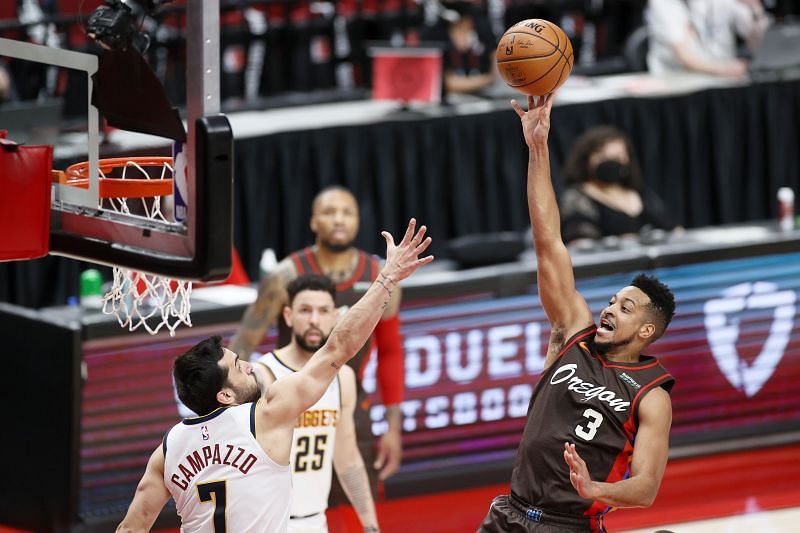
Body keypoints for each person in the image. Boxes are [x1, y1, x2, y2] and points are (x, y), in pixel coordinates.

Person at [115, 219, 432, 533]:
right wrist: (387, 278)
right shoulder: (266, 414)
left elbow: (131, 529)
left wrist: (370, 525)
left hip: (314, 518)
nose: (249, 366)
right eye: (240, 367)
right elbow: (339, 347)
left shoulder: (169, 449)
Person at [479, 95, 676, 532]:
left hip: (567, 525)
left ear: (647, 329)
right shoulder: (573, 333)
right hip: (507, 514)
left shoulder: (652, 395)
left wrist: (596, 490)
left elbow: (645, 488)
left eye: (625, 307)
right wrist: (537, 148)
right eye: (611, 300)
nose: (609, 308)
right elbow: (549, 240)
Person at [230, 186, 405, 504]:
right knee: (289, 507)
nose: (339, 219)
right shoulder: (285, 275)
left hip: (349, 404)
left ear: (357, 221)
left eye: (347, 212)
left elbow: (391, 353)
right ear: (313, 222)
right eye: (329, 212)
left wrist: (394, 426)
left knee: (356, 502)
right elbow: (242, 345)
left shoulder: (381, 277)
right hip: (291, 406)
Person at [258, 273, 379, 532]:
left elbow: (347, 458)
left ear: (335, 317)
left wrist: (371, 525)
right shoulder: (263, 374)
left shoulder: (342, 378)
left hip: (316, 520)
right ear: (288, 316)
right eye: (305, 310)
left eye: (323, 311)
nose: (314, 320)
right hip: (269, 522)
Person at [558, 125, 679, 247]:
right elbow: (580, 244)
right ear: (586, 159)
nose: (612, 162)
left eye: (618, 157)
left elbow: (674, 230)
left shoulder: (640, 192)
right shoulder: (577, 198)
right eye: (604, 157)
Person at [647, 0, 770, 77]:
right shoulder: (663, 3)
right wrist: (726, 69)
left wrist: (756, 10)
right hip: (677, 80)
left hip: (725, 80)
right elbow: (684, 56)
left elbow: (755, 44)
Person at [419, 0, 496, 95]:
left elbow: (496, 70)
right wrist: (486, 80)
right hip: (450, 98)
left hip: (487, 94)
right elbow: (449, 84)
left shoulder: (482, 25)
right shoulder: (433, 33)